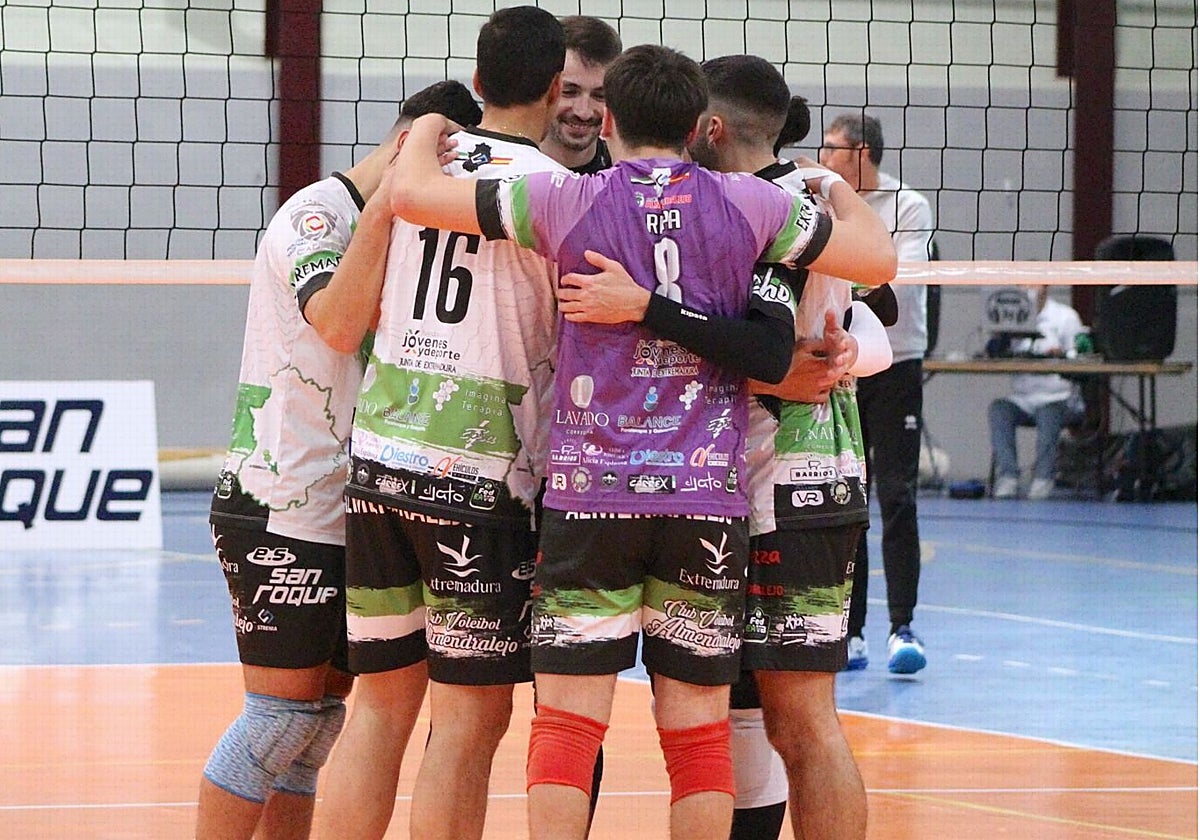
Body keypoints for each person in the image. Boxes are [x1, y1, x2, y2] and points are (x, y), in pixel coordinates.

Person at [390, 43, 896, 840]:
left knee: (566, 729)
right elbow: (878, 257)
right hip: (705, 502)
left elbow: (414, 196)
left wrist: (426, 128)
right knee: (696, 737)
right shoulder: (751, 205)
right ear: (698, 126)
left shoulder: (561, 196)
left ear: (611, 118)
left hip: (592, 498)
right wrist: (832, 184)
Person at [198, 80, 481, 840]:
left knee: (318, 728)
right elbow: (337, 322)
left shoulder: (413, 227)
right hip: (279, 503)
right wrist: (391, 203)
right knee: (276, 722)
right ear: (408, 145)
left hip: (354, 506)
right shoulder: (318, 217)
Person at [315, 9, 571, 840]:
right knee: (467, 723)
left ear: (479, 73)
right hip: (479, 482)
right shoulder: (556, 190)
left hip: (380, 464)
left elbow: (342, 320)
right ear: (551, 85)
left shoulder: (413, 166)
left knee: (380, 711)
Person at [689, 55, 895, 840]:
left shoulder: (762, 206)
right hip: (766, 479)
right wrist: (833, 183)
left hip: (787, 485)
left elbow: (873, 305)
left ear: (711, 128)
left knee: (803, 722)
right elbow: (879, 310)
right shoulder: (806, 198)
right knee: (752, 711)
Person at [820, 112, 934, 675]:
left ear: (860, 152)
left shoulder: (908, 205)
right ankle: (853, 629)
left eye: (832, 147)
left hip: (898, 363)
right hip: (846, 359)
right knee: (850, 496)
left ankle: (902, 626)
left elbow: (892, 274)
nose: (823, 155)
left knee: (898, 494)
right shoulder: (822, 199)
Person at [988, 285, 1085, 500]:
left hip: (1060, 398)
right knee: (999, 410)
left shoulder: (1065, 317)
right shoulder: (1013, 316)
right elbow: (995, 352)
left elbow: (1082, 354)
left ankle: (1043, 478)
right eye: (1024, 284)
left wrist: (1062, 355)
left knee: (1048, 412)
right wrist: (999, 335)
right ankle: (1008, 476)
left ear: (1046, 286)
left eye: (1034, 283)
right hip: (1023, 399)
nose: (1029, 289)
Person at [541, 15, 622, 174]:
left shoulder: (623, 177)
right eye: (570, 92)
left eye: (600, 96)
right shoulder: (509, 171)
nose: (583, 112)